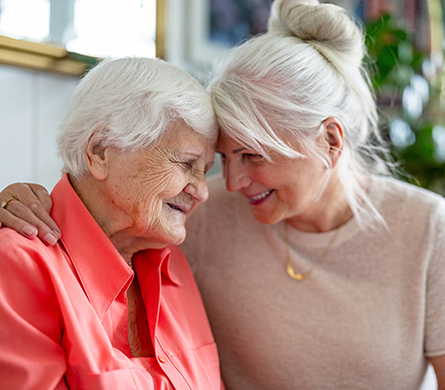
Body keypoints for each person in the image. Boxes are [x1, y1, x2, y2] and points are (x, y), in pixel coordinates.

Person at [1, 0, 445, 389]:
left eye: (252, 155)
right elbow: (90, 214)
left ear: (330, 141)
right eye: (222, 159)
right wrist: (16, 200)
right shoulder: (188, 224)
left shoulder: (428, 230)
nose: (226, 186)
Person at [0, 57, 224, 389]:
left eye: (204, 171)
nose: (203, 191)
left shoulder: (173, 263)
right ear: (101, 151)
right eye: (186, 163)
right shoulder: (19, 264)